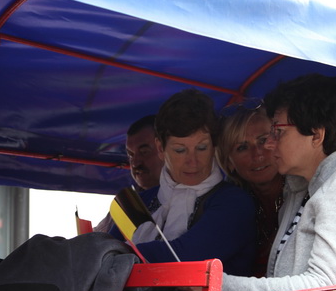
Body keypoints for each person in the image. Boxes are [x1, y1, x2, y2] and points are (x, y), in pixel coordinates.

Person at [222, 74, 336, 291]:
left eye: (278, 132)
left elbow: (322, 288)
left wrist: (220, 287)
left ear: (316, 135)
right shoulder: (301, 189)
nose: (269, 144)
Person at [112, 88, 256, 276]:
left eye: (201, 148)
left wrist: (111, 256)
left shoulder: (234, 202)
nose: (192, 161)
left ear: (214, 146)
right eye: (180, 150)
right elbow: (104, 245)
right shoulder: (137, 203)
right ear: (160, 148)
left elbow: (184, 257)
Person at [216, 104, 285, 276]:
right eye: (242, 147)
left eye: (263, 140)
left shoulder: (306, 191)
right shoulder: (228, 207)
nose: (258, 154)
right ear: (229, 162)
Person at [94, 115, 164, 232]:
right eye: (130, 155)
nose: (135, 163)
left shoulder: (187, 196)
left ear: (167, 150)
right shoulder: (128, 202)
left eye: (144, 152)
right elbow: (98, 237)